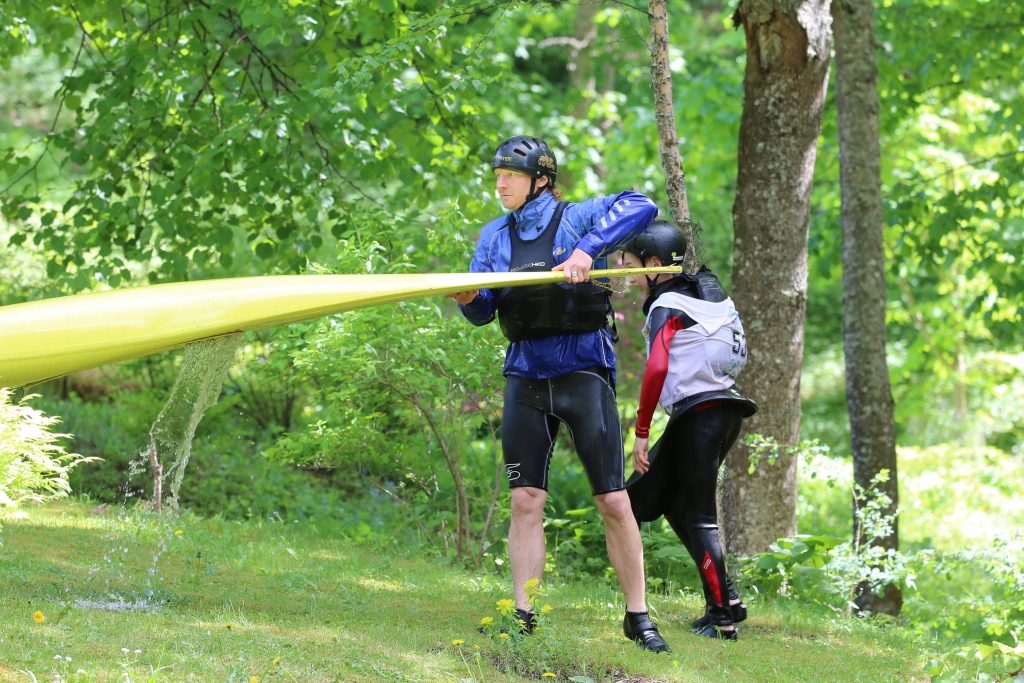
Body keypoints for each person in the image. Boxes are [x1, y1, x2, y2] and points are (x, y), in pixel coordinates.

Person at [446, 135, 669, 652]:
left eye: (512, 175)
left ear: (540, 180)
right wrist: (467, 298)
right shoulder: (493, 238)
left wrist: (587, 249)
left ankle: (638, 616)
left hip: (583, 372)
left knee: (613, 499)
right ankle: (522, 616)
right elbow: (483, 311)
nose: (500, 183)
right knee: (525, 499)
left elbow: (642, 204)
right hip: (525, 375)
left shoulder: (577, 217)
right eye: (497, 174)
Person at [620, 221, 757, 641]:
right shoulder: (705, 292)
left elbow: (658, 366)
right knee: (664, 500)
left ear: (656, 265)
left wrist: (641, 432)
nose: (625, 275)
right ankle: (728, 599)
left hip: (698, 416)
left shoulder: (666, 305)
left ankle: (723, 620)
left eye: (630, 267)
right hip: (722, 413)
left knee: (698, 517)